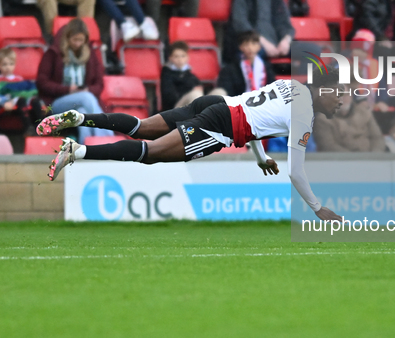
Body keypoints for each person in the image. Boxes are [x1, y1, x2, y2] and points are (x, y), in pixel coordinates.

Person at [37, 67, 344, 221]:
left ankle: (81, 117)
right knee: (151, 153)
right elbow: (296, 172)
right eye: (340, 94)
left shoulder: (292, 85)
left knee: (142, 128)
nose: (342, 102)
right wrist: (317, 208)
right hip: (219, 125)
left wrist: (261, 158)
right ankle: (77, 151)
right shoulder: (305, 116)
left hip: (214, 103)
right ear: (326, 88)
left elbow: (259, 117)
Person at [36, 19, 114, 144]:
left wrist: (87, 89)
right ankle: (107, 138)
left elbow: (99, 83)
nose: (78, 44)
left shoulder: (91, 55)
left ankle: (86, 151)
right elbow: (42, 82)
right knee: (86, 98)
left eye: (81, 40)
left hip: (83, 102)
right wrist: (68, 89)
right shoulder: (53, 53)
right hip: (57, 103)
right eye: (75, 40)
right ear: (67, 38)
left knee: (82, 114)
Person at [224, 0, 294, 62]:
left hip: (277, 45)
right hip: (251, 45)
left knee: (310, 51)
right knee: (253, 53)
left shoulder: (278, 0)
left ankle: (303, 78)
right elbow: (241, 25)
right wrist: (262, 43)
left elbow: (286, 26)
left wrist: (285, 41)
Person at [313, 88, 386, 153]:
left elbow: (377, 137)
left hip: (369, 159)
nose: (343, 99)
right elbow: (328, 145)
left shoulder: (365, 113)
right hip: (341, 162)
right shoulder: (323, 119)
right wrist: (352, 159)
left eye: (346, 95)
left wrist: (375, 155)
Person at [217, 31, 275, 97]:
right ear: (240, 47)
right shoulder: (230, 69)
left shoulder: (266, 67)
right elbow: (228, 90)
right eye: (246, 44)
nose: (250, 48)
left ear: (259, 47)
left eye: (254, 44)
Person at [0, 48, 44, 132]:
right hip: (6, 104)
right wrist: (4, 102)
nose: (8, 67)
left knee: (34, 101)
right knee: (21, 100)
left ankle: (42, 126)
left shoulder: (19, 79)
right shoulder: (1, 81)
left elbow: (30, 91)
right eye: (4, 64)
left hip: (22, 101)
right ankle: (28, 128)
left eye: (11, 64)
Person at [161, 41, 203, 111]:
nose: (180, 60)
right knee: (195, 95)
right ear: (170, 58)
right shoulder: (167, 74)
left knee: (219, 93)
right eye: (176, 56)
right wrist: (190, 90)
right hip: (174, 110)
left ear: (188, 57)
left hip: (190, 106)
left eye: (183, 56)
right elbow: (169, 98)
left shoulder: (190, 74)